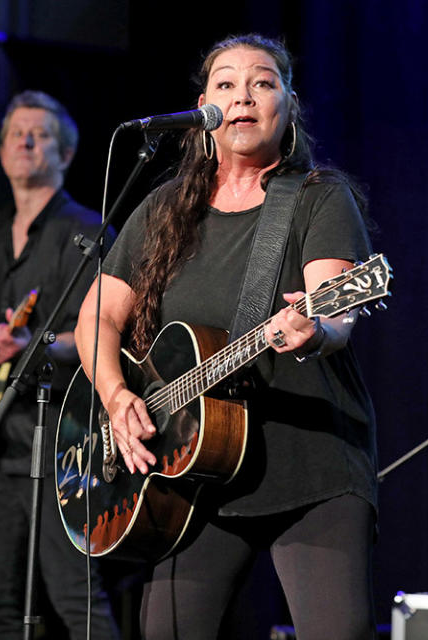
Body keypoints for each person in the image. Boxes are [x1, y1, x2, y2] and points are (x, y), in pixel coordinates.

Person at [74, 35, 378, 640]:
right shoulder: (166, 209)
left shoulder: (319, 197)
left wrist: (313, 329)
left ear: (288, 106)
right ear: (203, 108)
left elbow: (337, 314)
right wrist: (115, 395)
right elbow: (96, 318)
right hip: (193, 474)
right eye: (226, 84)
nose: (244, 96)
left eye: (263, 83)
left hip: (308, 466)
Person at [0, 90, 119, 640]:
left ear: (64, 155)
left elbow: (101, 335)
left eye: (39, 134)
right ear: (0, 152)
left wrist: (35, 346)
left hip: (63, 443)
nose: (25, 140)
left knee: (74, 597)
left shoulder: (86, 234)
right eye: (16, 132)